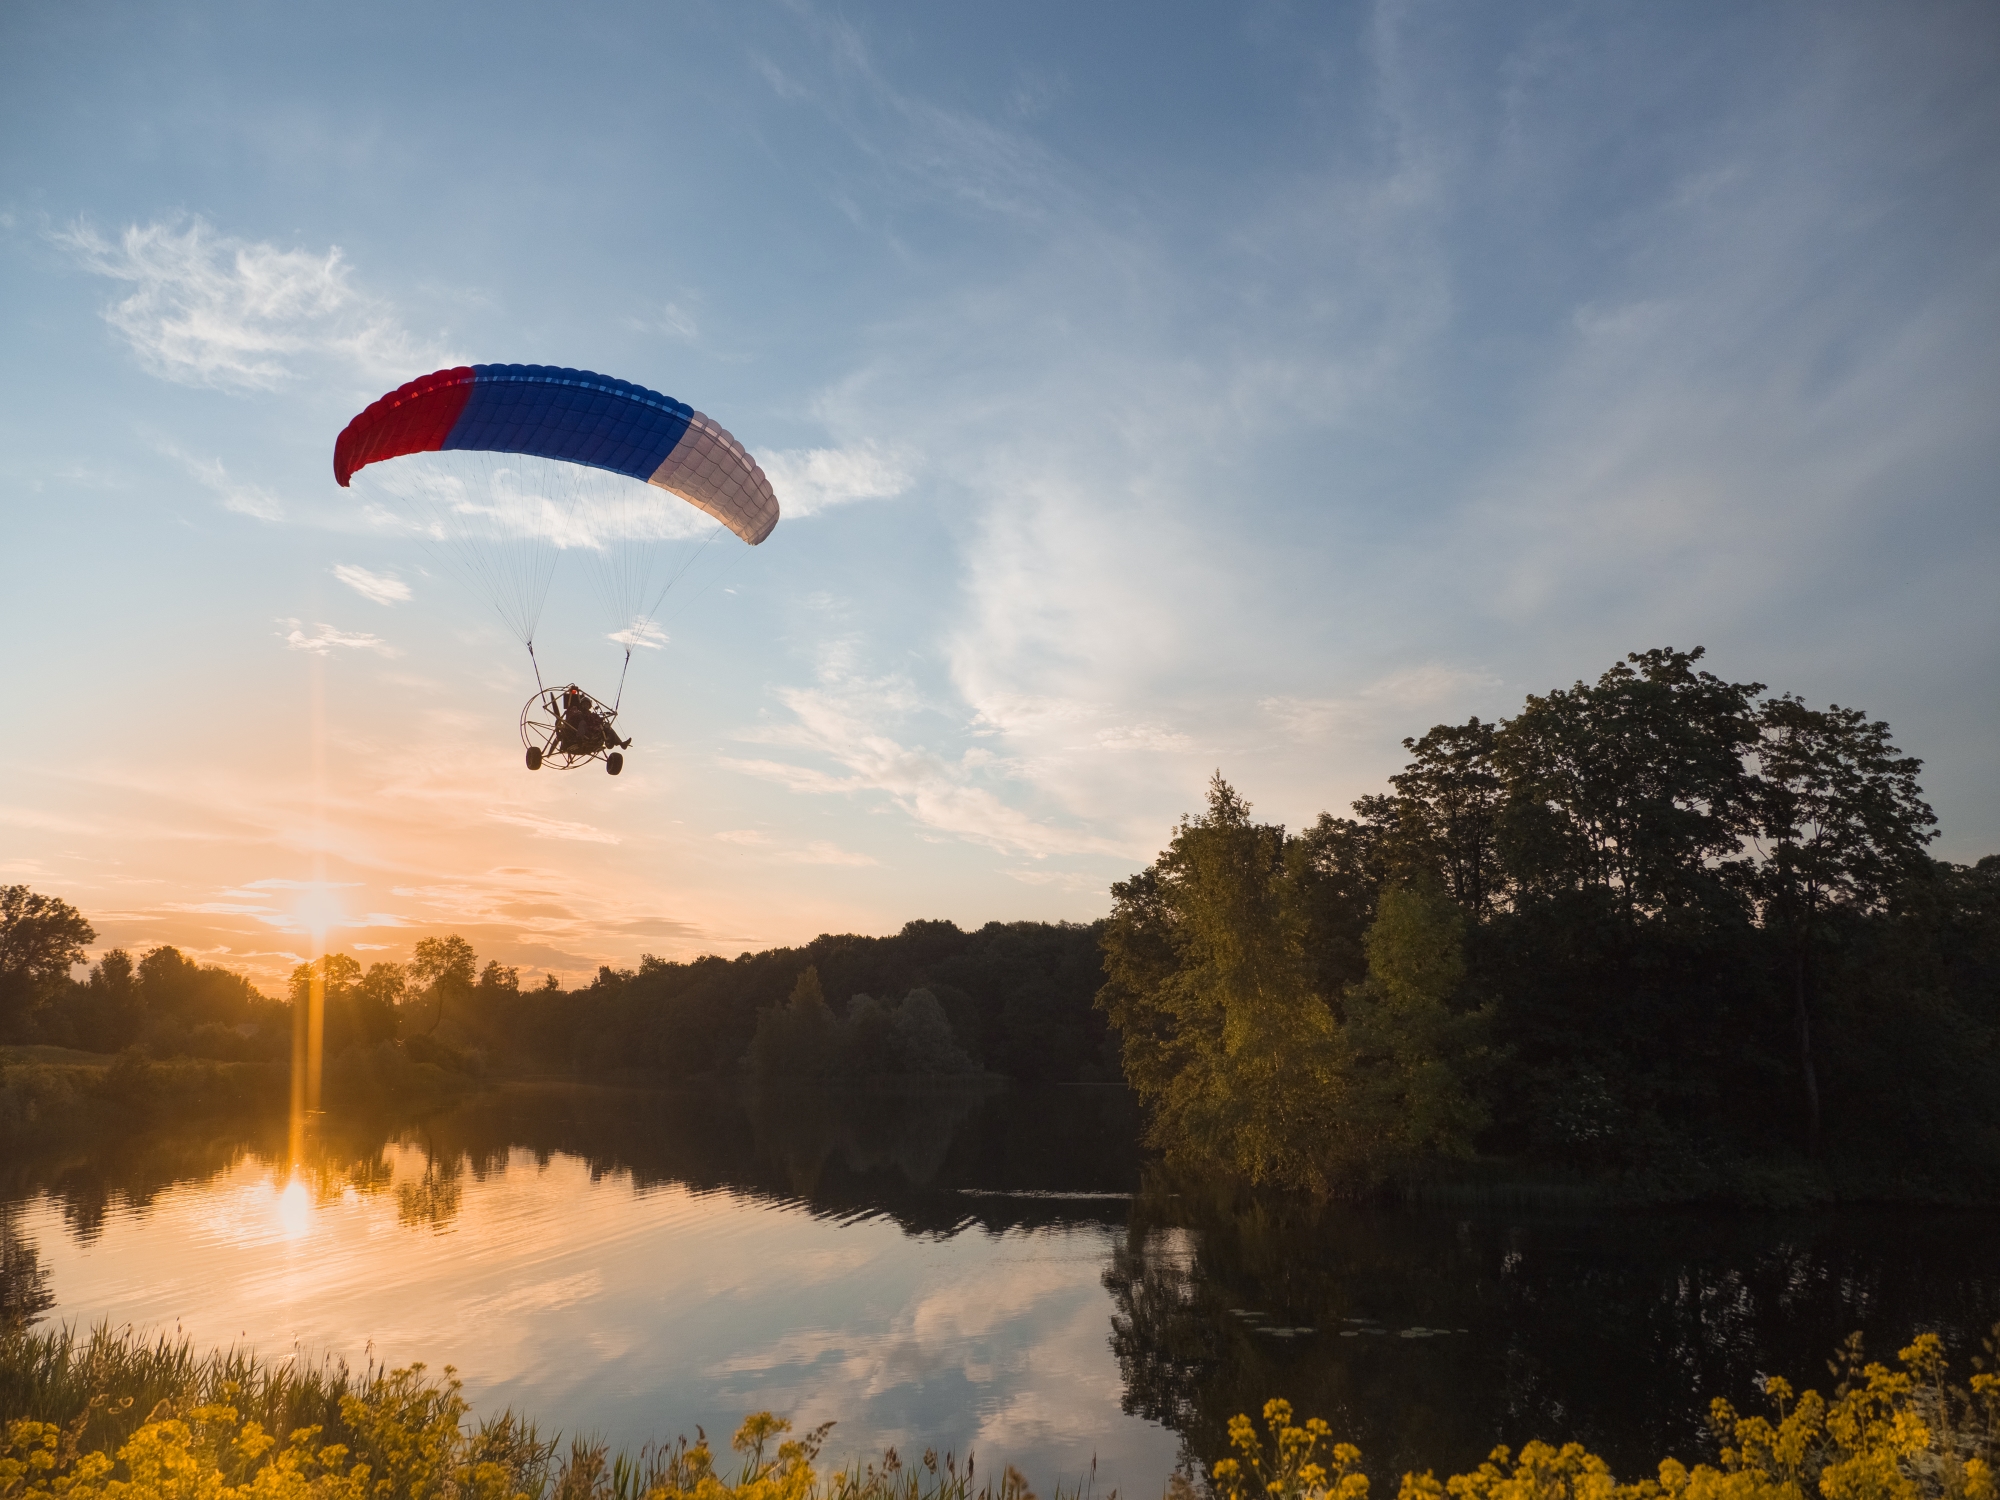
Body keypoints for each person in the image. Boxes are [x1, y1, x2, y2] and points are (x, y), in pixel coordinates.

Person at [556, 685, 630, 754]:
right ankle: (579, 740)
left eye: (587, 704)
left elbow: (598, 721)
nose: (586, 705)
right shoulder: (578, 714)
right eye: (584, 704)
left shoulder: (593, 715)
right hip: (582, 733)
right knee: (582, 723)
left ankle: (621, 743)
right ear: (581, 705)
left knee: (607, 727)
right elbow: (573, 720)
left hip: (593, 733)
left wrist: (603, 722)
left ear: (589, 706)